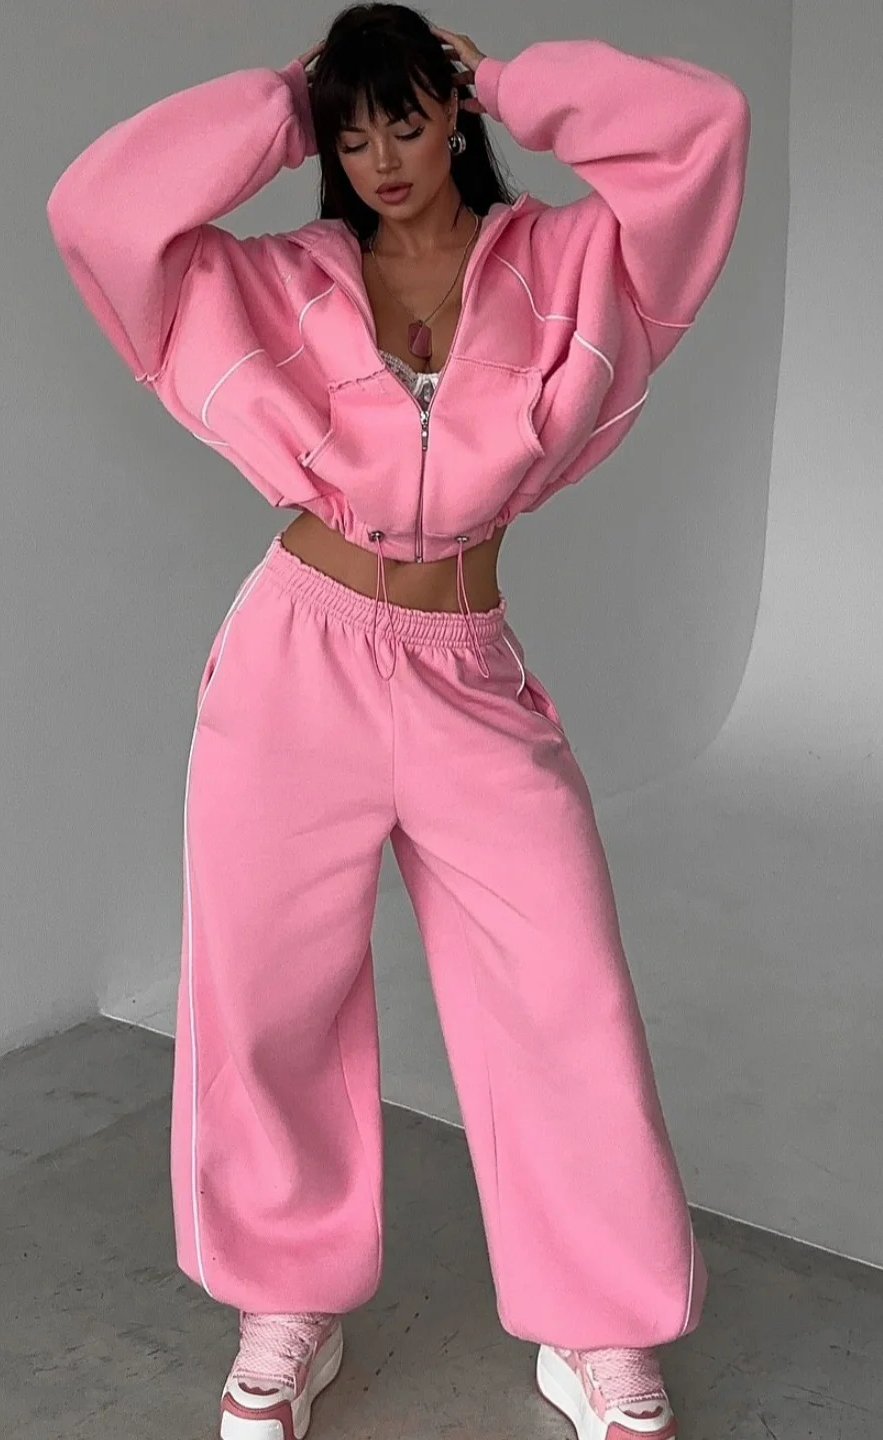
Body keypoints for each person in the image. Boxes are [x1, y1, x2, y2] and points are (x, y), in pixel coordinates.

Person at [46, 5, 749, 1436]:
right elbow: (96, 210)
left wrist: (518, 80)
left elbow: (702, 133)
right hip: (294, 659)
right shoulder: (274, 281)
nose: (379, 156)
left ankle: (598, 1324)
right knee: (268, 995)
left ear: (455, 114)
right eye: (351, 130)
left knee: (563, 993)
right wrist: (278, 103)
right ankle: (286, 1305)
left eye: (408, 118)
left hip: (466, 670)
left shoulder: (570, 264)